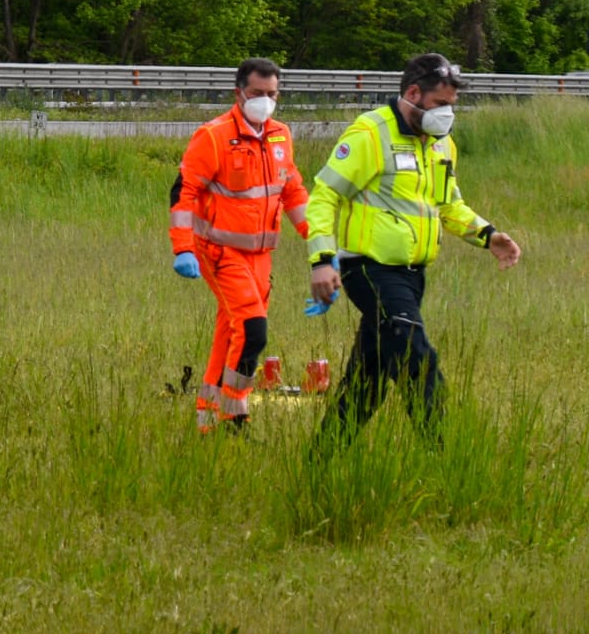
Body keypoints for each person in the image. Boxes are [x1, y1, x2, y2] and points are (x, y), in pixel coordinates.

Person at [306, 53, 522, 443]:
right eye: (441, 105)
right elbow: (324, 197)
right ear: (413, 93)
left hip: (412, 274)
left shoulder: (442, 144)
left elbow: (447, 205)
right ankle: (442, 454)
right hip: (369, 269)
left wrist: (487, 235)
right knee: (417, 359)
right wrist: (322, 259)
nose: (447, 114)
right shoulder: (370, 133)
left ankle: (321, 460)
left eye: (452, 106)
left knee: (367, 380)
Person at [169, 57, 311, 434]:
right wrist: (182, 248)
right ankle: (234, 417)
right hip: (219, 252)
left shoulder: (280, 135)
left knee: (231, 331)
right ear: (239, 93)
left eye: (272, 94)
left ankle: (207, 418)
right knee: (252, 331)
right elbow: (183, 194)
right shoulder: (213, 136)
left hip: (260, 255)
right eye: (257, 93)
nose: (264, 101)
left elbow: (292, 191)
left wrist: (319, 241)